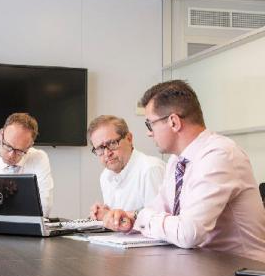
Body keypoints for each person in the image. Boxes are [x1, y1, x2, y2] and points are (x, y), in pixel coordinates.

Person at [102, 80, 265, 261]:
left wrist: (141, 216)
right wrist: (130, 219)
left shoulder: (219, 155)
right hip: (202, 264)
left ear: (173, 122)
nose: (149, 133)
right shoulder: (178, 160)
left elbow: (189, 232)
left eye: (150, 124)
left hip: (241, 272)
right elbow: (158, 209)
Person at [87, 115, 165, 220]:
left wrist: (109, 215)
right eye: (100, 148)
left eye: (112, 143)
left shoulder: (151, 169)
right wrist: (104, 213)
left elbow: (159, 220)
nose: (107, 153)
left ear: (129, 138)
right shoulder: (105, 176)